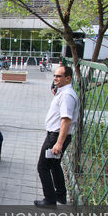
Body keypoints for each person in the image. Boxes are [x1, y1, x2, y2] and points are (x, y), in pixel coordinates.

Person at [34, 66, 79, 206]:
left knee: (42, 167)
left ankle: (50, 200)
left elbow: (66, 120)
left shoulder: (67, 95)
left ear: (68, 78)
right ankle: (60, 195)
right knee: (54, 165)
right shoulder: (63, 92)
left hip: (56, 137)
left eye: (59, 76)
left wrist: (58, 143)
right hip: (55, 135)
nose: (55, 78)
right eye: (55, 75)